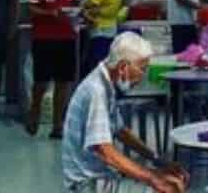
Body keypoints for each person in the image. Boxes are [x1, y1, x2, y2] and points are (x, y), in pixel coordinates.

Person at [62, 32, 189, 193]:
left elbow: (121, 131)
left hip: (101, 177)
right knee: (165, 189)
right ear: (123, 67)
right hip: (87, 185)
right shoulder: (96, 91)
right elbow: (105, 151)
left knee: (168, 181)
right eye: (142, 69)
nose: (143, 76)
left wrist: (158, 161)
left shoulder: (105, 82)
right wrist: (153, 179)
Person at [26, 0, 81, 138]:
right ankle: (34, 114)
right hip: (44, 37)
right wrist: (51, 13)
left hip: (67, 37)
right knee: (41, 82)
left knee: (64, 82)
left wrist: (78, 15)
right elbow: (31, 9)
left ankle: (58, 124)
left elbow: (77, 3)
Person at [81, 0, 124, 76]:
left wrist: (81, 7)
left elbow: (89, 3)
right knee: (105, 63)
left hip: (101, 30)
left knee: (98, 65)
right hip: (110, 28)